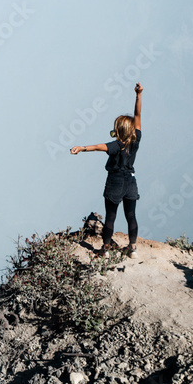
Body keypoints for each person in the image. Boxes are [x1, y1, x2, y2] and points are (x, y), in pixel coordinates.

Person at [70, 83, 143, 258]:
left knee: (111, 216)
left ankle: (106, 249)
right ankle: (132, 249)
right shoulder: (136, 140)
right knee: (131, 215)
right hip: (131, 181)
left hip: (115, 181)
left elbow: (99, 147)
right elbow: (138, 115)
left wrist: (82, 148)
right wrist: (139, 95)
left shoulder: (116, 145)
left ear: (118, 131)